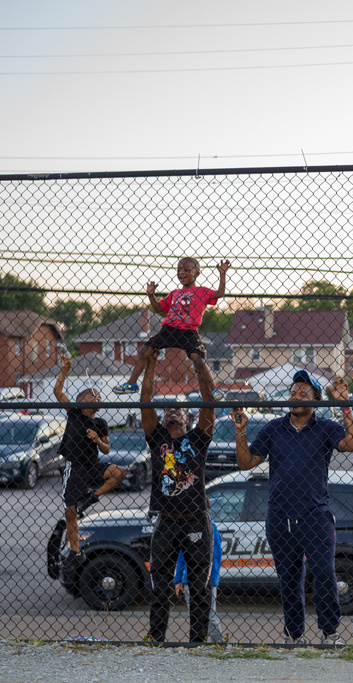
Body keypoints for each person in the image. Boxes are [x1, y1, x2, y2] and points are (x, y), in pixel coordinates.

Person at [233, 370, 353, 646]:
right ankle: (295, 636)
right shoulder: (272, 429)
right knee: (289, 580)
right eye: (293, 392)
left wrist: (344, 406)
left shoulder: (326, 428)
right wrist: (240, 430)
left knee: (324, 573)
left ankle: (330, 633)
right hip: (280, 517)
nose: (296, 396)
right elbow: (246, 463)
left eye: (304, 393)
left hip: (315, 515)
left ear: (316, 399)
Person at [141, 349, 219, 643]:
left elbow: (209, 401)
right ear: (161, 420)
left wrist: (199, 365)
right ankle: (156, 636)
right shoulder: (156, 438)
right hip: (167, 520)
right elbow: (145, 401)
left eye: (180, 409)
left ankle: (197, 641)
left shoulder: (198, 439)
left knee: (199, 586)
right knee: (159, 585)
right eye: (168, 409)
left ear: (187, 420)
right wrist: (150, 365)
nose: (173, 410)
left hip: (196, 520)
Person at [114, 257, 230, 394]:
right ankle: (131, 384)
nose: (181, 272)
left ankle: (214, 390)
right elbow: (158, 308)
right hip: (169, 330)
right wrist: (151, 296)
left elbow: (219, 293)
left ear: (197, 273)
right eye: (179, 270)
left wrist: (222, 274)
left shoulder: (202, 291)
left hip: (189, 331)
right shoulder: (174, 294)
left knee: (197, 359)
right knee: (145, 351)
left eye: (186, 270)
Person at [54, 353, 125, 568]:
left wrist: (96, 440)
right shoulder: (74, 413)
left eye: (100, 397)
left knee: (119, 472)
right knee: (70, 511)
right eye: (96, 396)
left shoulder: (101, 423)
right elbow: (58, 392)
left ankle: (92, 497)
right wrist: (66, 369)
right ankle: (75, 552)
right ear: (83, 400)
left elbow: (106, 448)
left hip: (92, 465)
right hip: (75, 466)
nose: (100, 399)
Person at [174, 518, 223, 643]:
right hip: (188, 580)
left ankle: (218, 643)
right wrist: (178, 579)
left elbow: (215, 557)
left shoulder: (211, 529)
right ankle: (198, 643)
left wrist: (213, 579)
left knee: (210, 614)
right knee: (194, 614)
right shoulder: (187, 527)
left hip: (207, 580)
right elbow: (181, 556)